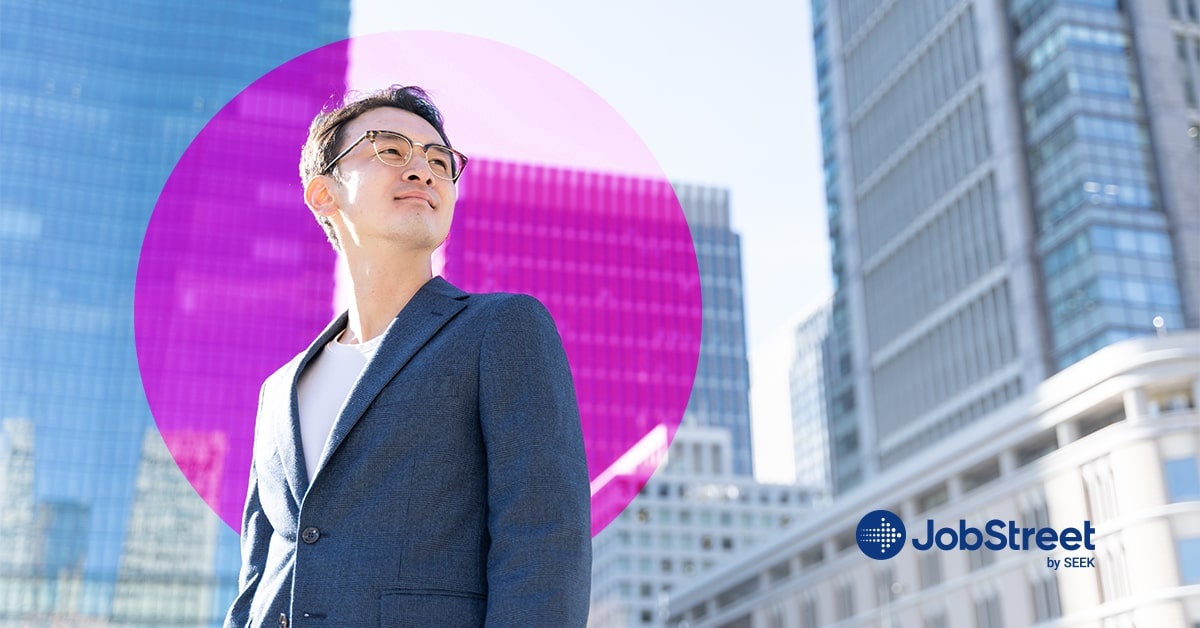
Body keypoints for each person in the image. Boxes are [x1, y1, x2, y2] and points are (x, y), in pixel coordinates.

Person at [224, 85, 592, 627]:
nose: (423, 170)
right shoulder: (278, 391)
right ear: (323, 193)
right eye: (390, 149)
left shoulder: (501, 330)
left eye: (439, 161)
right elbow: (259, 577)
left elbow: (544, 543)